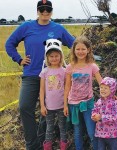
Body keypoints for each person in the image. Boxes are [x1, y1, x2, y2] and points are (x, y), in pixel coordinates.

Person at [5, 0, 74, 149]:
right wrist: (19, 59)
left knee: (48, 109)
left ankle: (44, 142)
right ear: (37, 10)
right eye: (42, 9)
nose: (45, 12)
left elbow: (74, 44)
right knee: (24, 107)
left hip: (53, 77)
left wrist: (79, 63)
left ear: (51, 11)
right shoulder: (26, 27)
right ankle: (32, 144)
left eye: (48, 9)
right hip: (31, 75)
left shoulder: (58, 28)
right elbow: (9, 44)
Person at [63, 36, 102, 150]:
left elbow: (102, 82)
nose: (80, 52)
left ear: (88, 50)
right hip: (73, 105)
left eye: (83, 49)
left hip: (88, 103)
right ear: (74, 50)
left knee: (91, 132)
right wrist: (65, 105)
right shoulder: (70, 67)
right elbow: (67, 87)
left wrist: (111, 94)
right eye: (78, 49)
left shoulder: (92, 66)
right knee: (77, 131)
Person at [39, 39, 68, 150]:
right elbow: (42, 90)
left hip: (62, 106)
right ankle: (47, 146)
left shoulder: (64, 71)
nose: (54, 58)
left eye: (56, 56)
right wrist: (42, 105)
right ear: (47, 58)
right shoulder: (44, 72)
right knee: (49, 127)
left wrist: (66, 105)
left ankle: (63, 145)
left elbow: (67, 88)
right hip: (49, 106)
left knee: (62, 127)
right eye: (51, 56)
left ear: (61, 56)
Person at [91, 77, 117, 150]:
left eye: (105, 88)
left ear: (112, 90)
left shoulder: (115, 102)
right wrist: (94, 116)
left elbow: (116, 116)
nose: (102, 90)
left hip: (112, 134)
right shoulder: (99, 101)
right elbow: (94, 110)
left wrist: (101, 117)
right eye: (101, 87)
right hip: (100, 132)